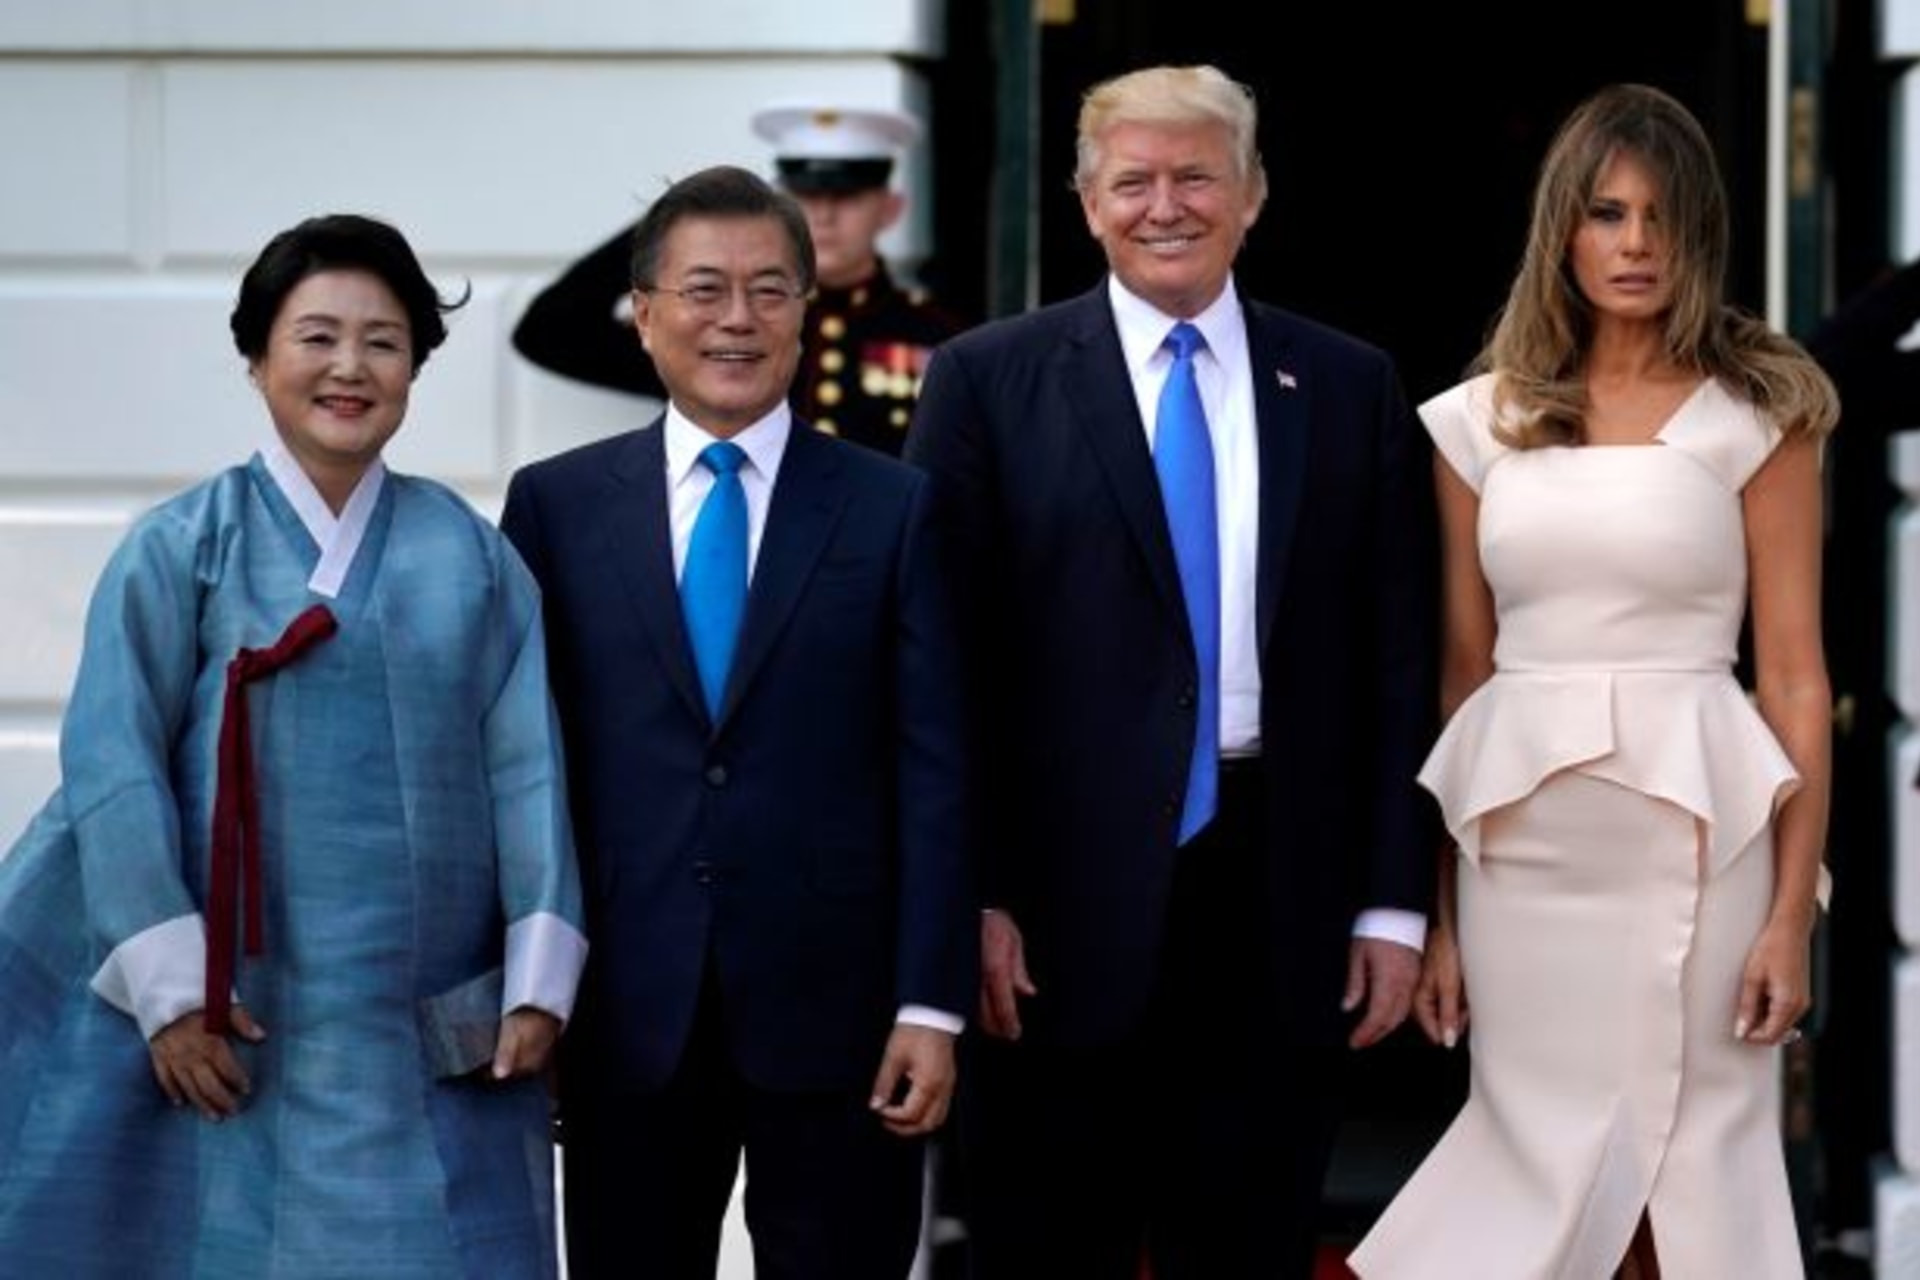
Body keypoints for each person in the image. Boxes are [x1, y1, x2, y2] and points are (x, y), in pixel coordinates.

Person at [902, 64, 1438, 1278]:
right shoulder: (986, 381)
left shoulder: (1349, 384)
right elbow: (946, 664)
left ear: (1253, 194)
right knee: (1048, 1246)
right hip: (1045, 916)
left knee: (1248, 1241)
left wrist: (1395, 902)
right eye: (1132, 180)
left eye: (1197, 175)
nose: (1166, 205)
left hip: (1280, 893)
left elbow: (1397, 658)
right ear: (1087, 203)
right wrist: (971, 893)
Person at [0, 213, 588, 1278]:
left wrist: (539, 974)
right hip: (232, 1014)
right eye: (316, 336)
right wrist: (172, 992)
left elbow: (528, 767)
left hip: (415, 1022)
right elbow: (112, 764)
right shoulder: (184, 544)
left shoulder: (471, 556)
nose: (349, 367)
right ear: (257, 353)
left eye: (384, 340)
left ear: (416, 362)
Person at [1347, 83, 1838, 1279]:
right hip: (1525, 864)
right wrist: (1446, 918)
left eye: (1662, 220)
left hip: (1703, 847)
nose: (1635, 245)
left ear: (1701, 234)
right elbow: (1465, 682)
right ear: (1562, 229)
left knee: (1693, 1168)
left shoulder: (1761, 415)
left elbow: (1795, 678)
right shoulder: (1480, 423)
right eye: (1608, 214)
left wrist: (1787, 916)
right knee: (1543, 1156)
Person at [500, 164, 973, 1280]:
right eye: (703, 288)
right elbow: (523, 764)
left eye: (770, 290)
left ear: (806, 313)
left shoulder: (893, 505)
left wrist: (930, 1001)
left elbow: (940, 766)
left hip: (844, 1011)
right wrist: (530, 985)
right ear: (646, 312)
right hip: (622, 1006)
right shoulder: (555, 506)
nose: (737, 319)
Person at [511, 102, 965, 455]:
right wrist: (680, 222)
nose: (825, 215)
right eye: (806, 194)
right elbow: (550, 330)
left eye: (847, 196)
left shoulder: (940, 334)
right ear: (780, 204)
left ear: (891, 208)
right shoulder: (716, 323)